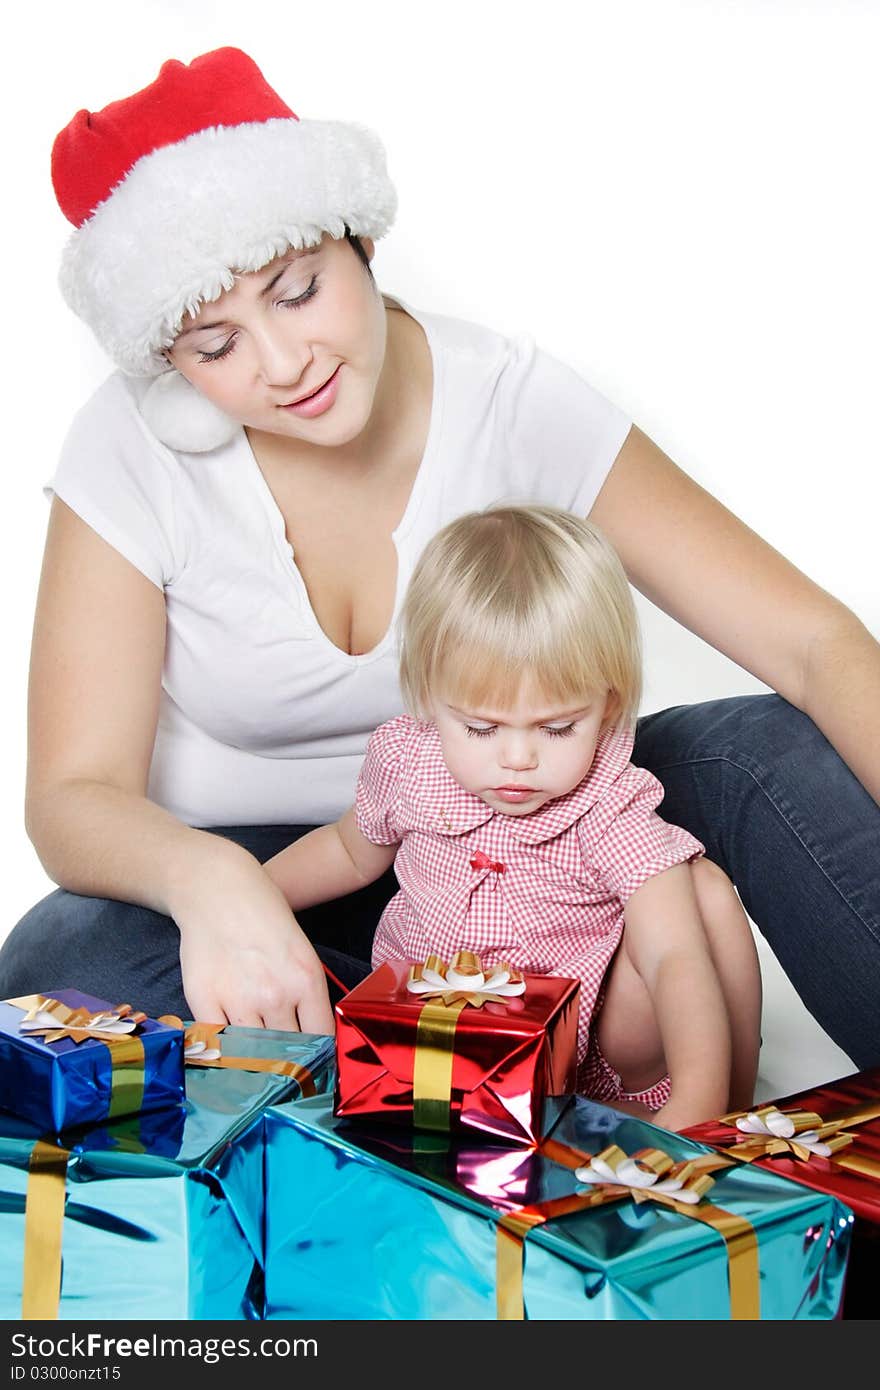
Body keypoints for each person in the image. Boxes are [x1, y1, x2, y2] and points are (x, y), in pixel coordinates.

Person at [2, 47, 878, 1065]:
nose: (285, 366)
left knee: (770, 748)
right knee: (65, 966)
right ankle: (451, 1112)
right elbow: (71, 793)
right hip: (292, 881)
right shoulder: (130, 448)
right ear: (169, 364)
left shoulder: (511, 400)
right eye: (215, 346)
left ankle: (519, 1066)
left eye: (295, 292)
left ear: (358, 238)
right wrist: (213, 884)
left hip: (553, 831)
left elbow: (816, 644)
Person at [264, 505, 762, 1130]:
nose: (518, 759)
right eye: (480, 726)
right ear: (426, 696)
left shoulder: (609, 800)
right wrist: (247, 896)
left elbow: (674, 958)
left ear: (607, 703)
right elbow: (346, 851)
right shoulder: (411, 762)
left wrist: (697, 1101)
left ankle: (723, 1109)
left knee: (702, 896)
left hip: (582, 1053)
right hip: (423, 1033)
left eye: (557, 728)